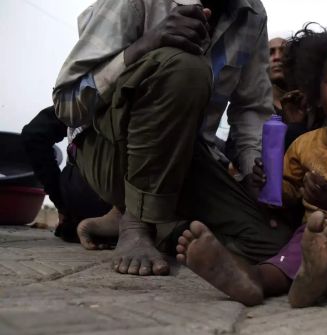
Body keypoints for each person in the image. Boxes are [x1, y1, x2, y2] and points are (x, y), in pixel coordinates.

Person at [175, 12, 327, 307]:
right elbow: (287, 192)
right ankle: (247, 279)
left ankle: (316, 279)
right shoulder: (303, 144)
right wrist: (266, 185)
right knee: (278, 264)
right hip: (308, 233)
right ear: (316, 95)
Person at [52, 0, 292, 276]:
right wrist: (145, 45)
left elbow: (252, 108)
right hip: (107, 152)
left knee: (272, 243)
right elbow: (65, 104)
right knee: (187, 68)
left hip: (185, 158)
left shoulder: (252, 12)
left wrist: (254, 173)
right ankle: (135, 222)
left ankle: (142, 222)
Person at [20, 106, 112, 245]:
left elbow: (34, 134)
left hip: (87, 204)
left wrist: (61, 204)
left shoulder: (91, 92)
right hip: (143, 208)